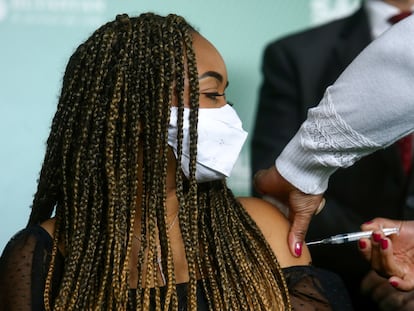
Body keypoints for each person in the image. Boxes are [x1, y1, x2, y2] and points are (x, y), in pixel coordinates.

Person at [0, 13, 352, 311]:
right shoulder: (41, 255)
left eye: (225, 94)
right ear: (134, 113)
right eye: (211, 94)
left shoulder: (260, 229)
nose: (228, 112)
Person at [251, 1, 414, 308]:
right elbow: (275, 185)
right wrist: (374, 265)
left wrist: (300, 168)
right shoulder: (295, 53)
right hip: (349, 290)